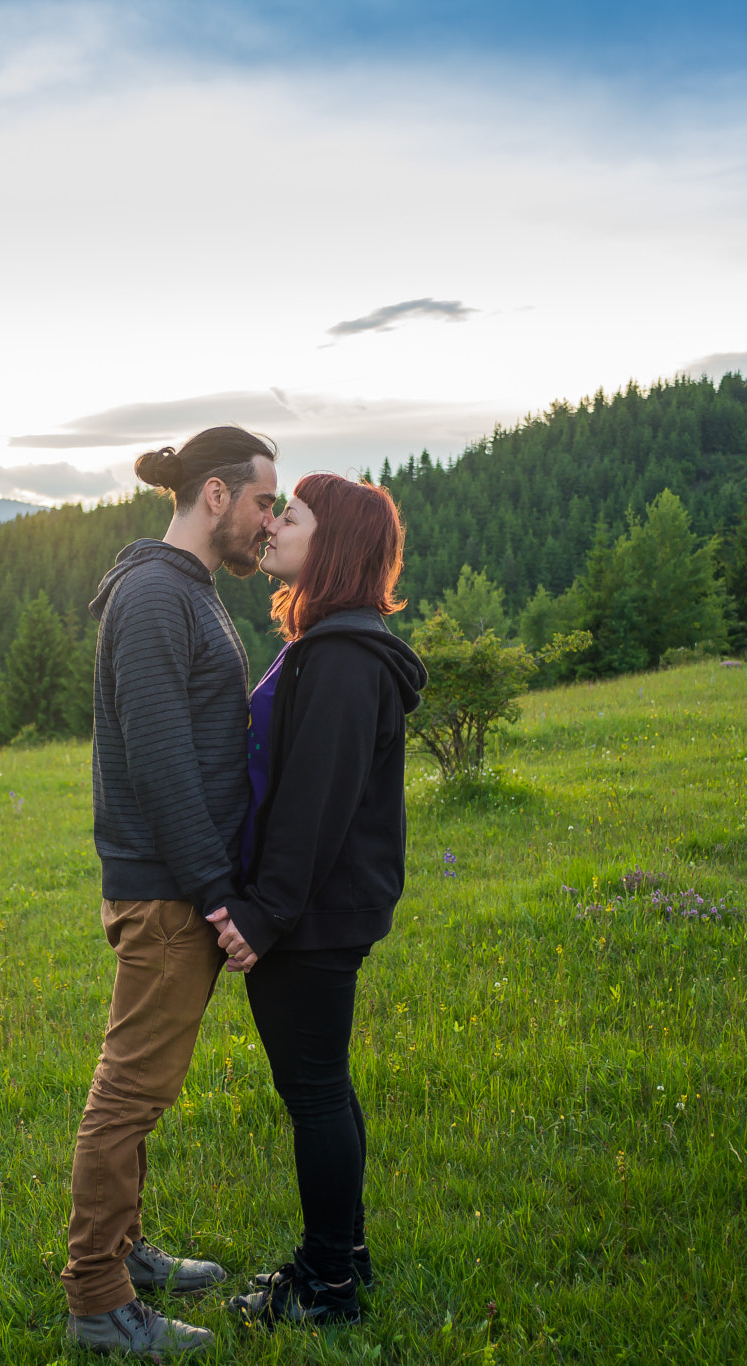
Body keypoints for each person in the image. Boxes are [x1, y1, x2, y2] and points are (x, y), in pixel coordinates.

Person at [62, 426, 281, 1358]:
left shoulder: (183, 589)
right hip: (165, 892)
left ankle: (127, 1250)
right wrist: (215, 893)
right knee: (129, 1090)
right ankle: (98, 1299)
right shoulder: (156, 595)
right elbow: (158, 761)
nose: (271, 524)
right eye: (266, 502)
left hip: (178, 885)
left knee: (145, 1091)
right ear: (218, 496)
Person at [206, 472, 425, 1327]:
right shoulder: (332, 642)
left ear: (329, 541)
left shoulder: (340, 657)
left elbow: (314, 803)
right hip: (323, 910)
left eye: (289, 515)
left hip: (313, 915)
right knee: (325, 1087)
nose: (274, 526)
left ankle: (329, 1282)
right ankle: (345, 1259)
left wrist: (263, 915)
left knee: (317, 1095)